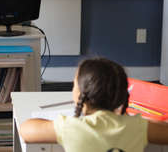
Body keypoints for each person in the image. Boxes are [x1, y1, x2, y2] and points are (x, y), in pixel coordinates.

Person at [19, 57, 168, 152]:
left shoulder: (71, 127)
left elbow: (26, 129)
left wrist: (59, 122)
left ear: (80, 95)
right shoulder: (138, 127)